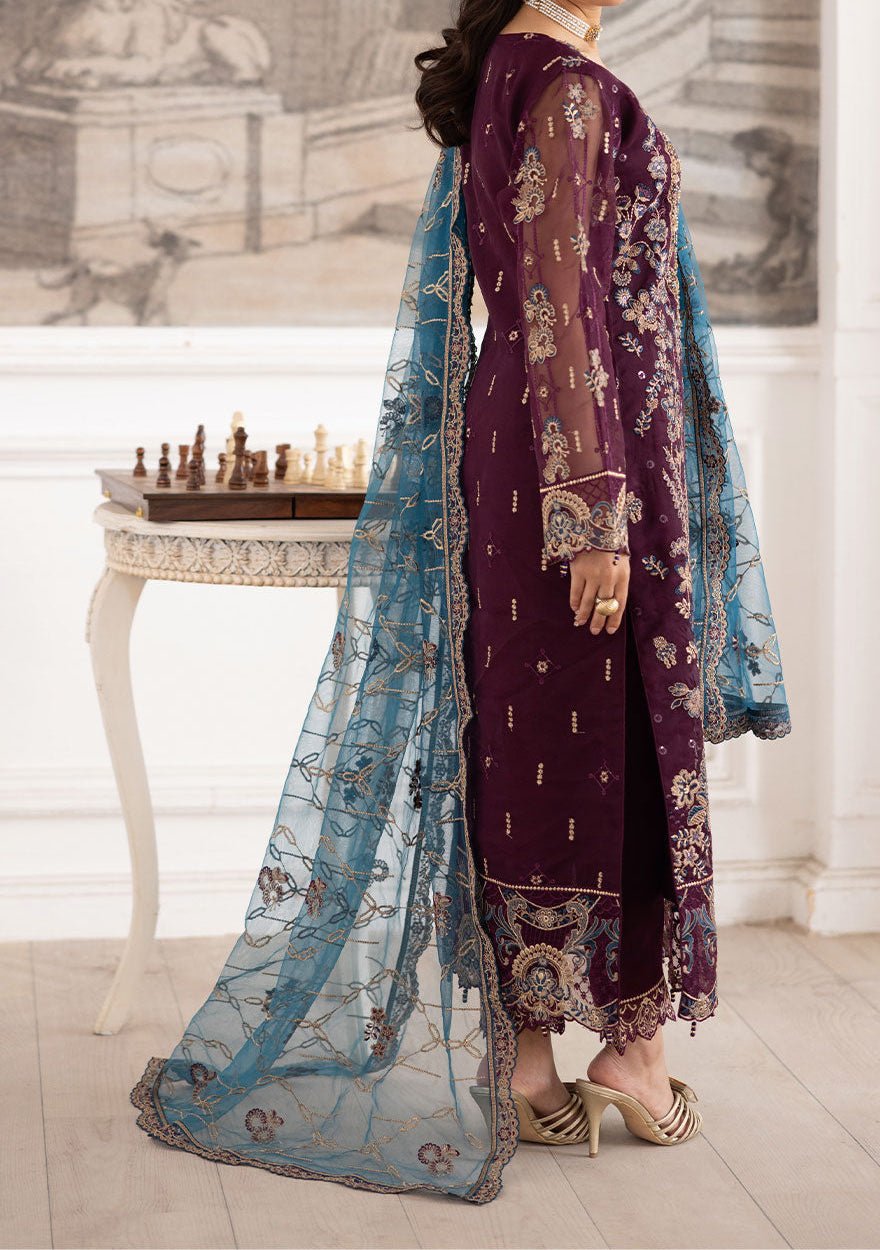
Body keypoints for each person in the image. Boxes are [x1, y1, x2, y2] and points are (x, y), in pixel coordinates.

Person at [131, 0, 790, 1202]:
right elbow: (559, 298)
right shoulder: (568, 86)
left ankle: (529, 1062)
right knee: (619, 740)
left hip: (524, 449)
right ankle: (633, 1053)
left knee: (528, 742)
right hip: (586, 463)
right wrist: (591, 509)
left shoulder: (511, 68)